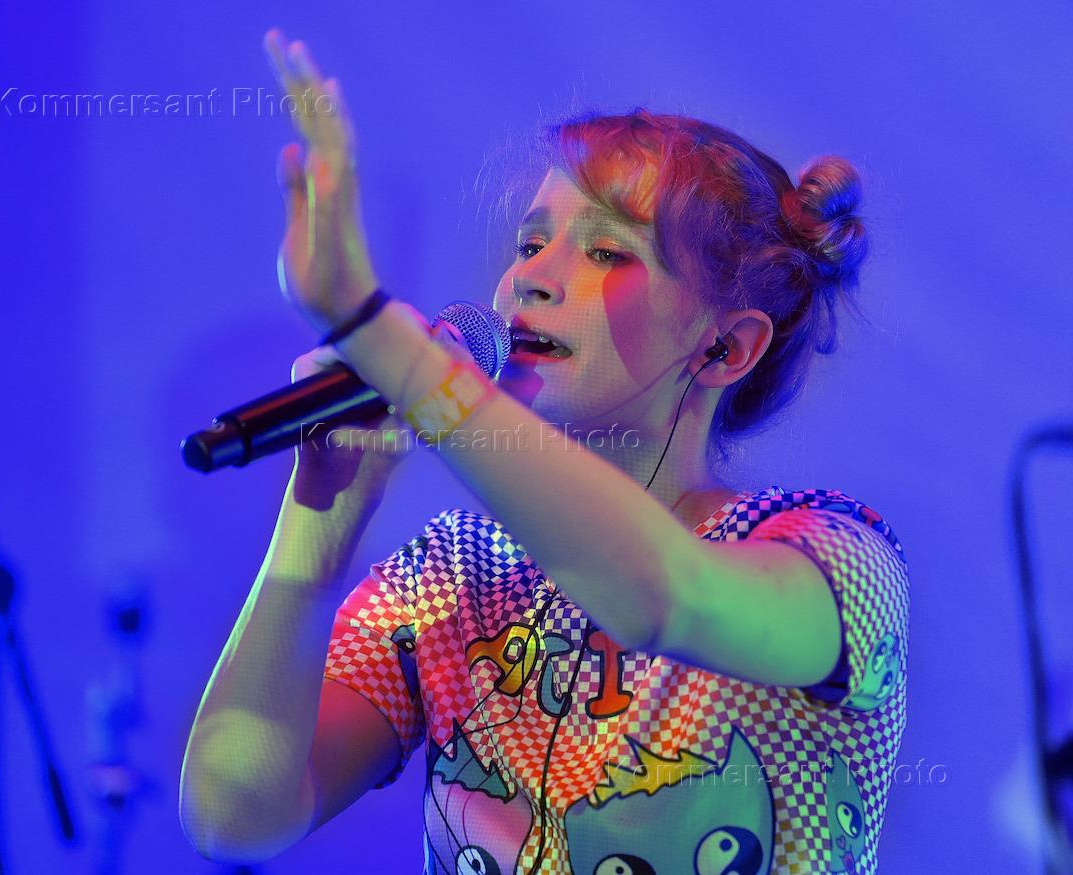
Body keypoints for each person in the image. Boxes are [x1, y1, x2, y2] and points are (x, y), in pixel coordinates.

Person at [179, 28, 910, 875]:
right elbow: (234, 815)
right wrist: (324, 513)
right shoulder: (453, 578)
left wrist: (384, 340)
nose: (531, 277)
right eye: (529, 245)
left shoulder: (832, 558)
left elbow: (662, 599)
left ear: (725, 348)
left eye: (606, 251)